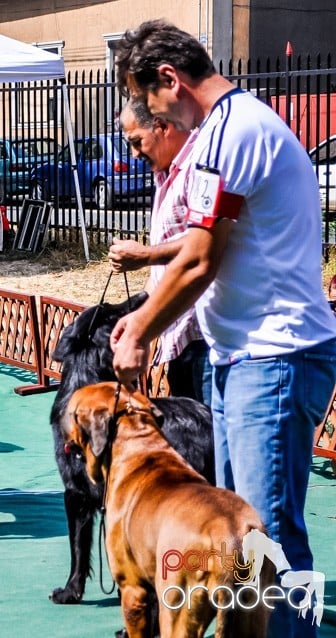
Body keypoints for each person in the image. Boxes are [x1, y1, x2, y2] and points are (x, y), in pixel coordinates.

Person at [113, 20, 336, 636]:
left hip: (276, 355)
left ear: (170, 79)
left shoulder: (231, 131)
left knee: (269, 540)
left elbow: (202, 258)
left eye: (149, 100)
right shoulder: (230, 128)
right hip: (247, 356)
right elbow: (201, 247)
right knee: (238, 542)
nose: (154, 116)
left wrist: (139, 329)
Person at [108, 99, 209, 402]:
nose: (134, 154)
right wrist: (142, 315)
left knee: (215, 443)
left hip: (206, 336)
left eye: (137, 142)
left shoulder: (199, 165)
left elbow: (207, 242)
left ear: (162, 127)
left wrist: (145, 255)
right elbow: (162, 272)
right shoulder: (165, 175)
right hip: (179, 331)